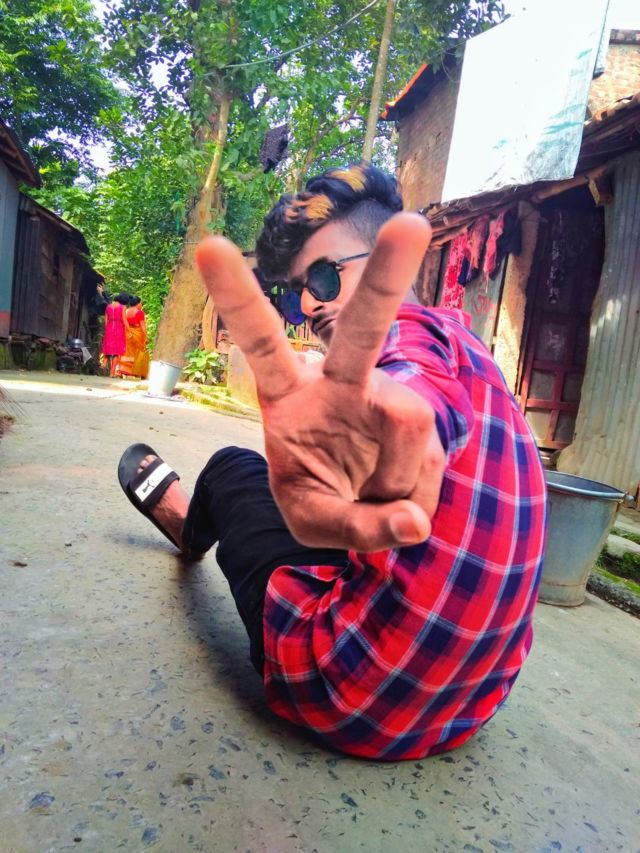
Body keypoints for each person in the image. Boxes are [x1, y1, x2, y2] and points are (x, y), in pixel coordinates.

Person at [118, 164, 547, 760]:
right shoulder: (474, 353)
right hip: (468, 710)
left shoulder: (403, 351)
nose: (308, 305)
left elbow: (416, 395)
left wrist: (382, 430)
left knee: (231, 467)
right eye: (295, 292)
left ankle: (189, 527)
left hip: (349, 699)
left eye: (323, 276)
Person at [117, 295, 149, 379]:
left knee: (126, 352)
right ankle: (135, 371)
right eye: (141, 303)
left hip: (126, 333)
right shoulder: (139, 312)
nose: (141, 305)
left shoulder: (126, 311)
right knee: (137, 353)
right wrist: (146, 336)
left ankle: (122, 370)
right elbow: (142, 326)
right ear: (138, 303)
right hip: (137, 334)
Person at [101, 292, 129, 377]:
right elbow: (124, 320)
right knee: (117, 351)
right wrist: (129, 329)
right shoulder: (123, 307)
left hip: (109, 328)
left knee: (108, 348)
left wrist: (107, 329)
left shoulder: (108, 306)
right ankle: (112, 372)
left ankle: (104, 362)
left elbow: (106, 321)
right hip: (119, 329)